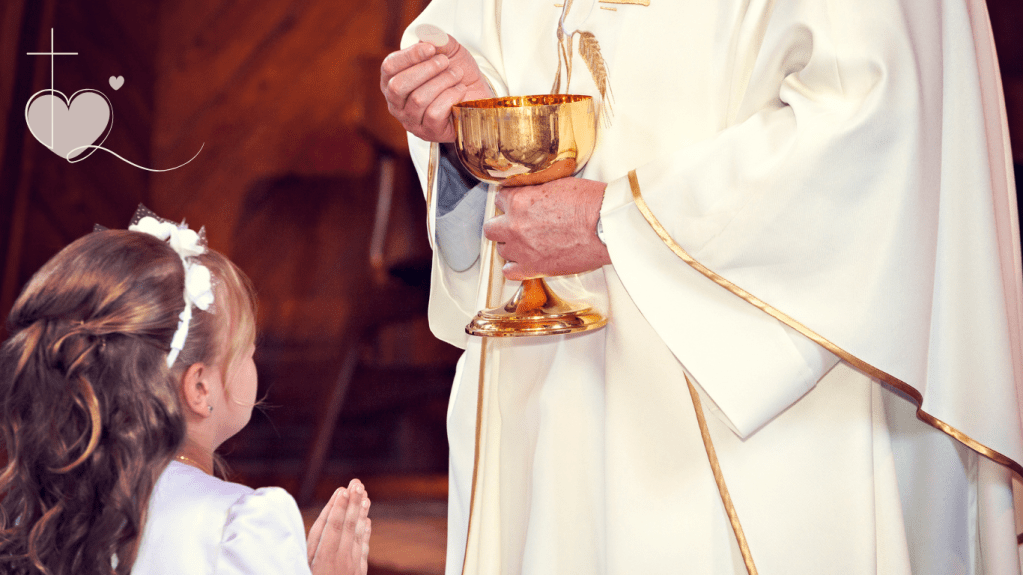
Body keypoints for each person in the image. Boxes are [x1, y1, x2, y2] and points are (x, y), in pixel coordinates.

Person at [381, 0, 1023, 573]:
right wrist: (465, 113)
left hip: (769, 400)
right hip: (552, 398)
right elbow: (490, 46)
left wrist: (619, 223)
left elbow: (876, 126)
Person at [0, 210, 371, 575]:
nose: (254, 359)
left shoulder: (38, 512)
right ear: (199, 387)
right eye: (247, 349)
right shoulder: (242, 525)